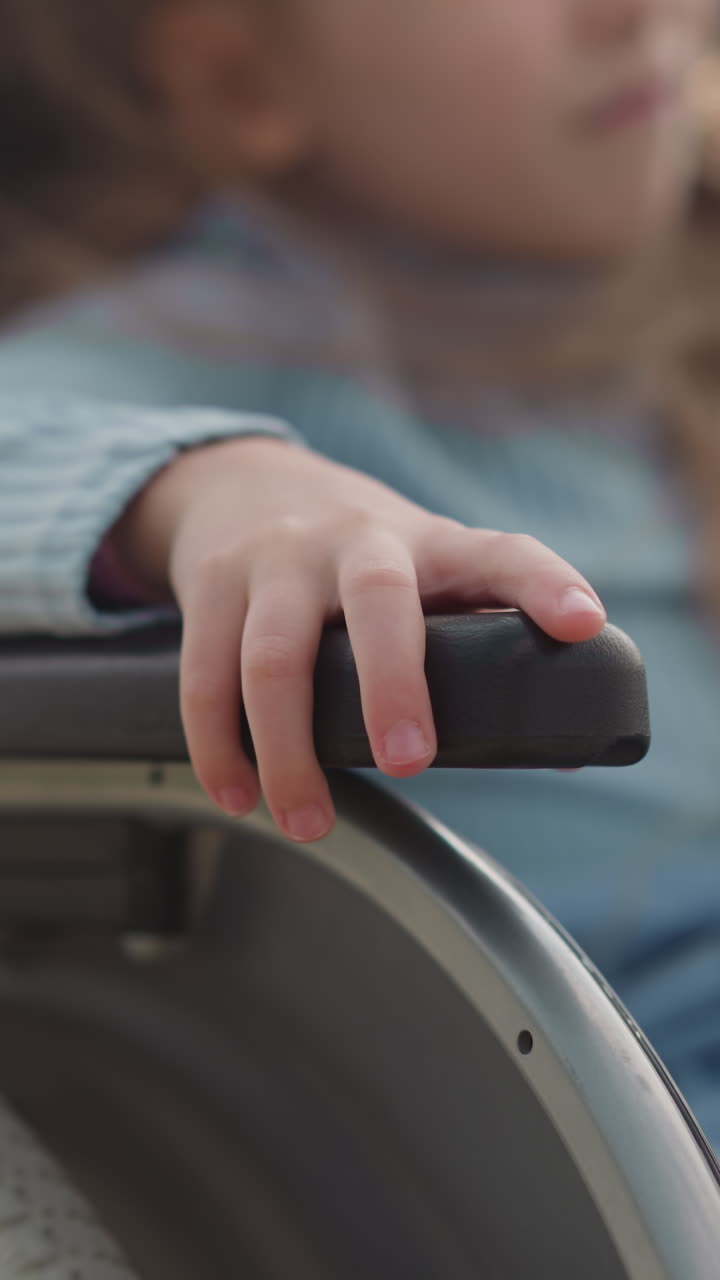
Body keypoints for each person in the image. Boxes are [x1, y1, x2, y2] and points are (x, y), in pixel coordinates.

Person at [1, 0, 720, 1141]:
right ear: (242, 81)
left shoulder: (652, 338)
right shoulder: (200, 347)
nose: (629, 12)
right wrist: (209, 487)